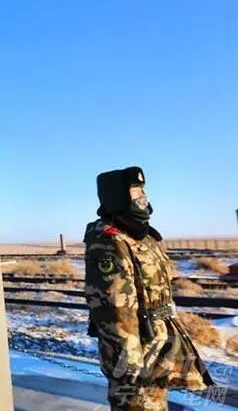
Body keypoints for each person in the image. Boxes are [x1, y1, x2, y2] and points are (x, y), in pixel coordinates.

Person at [84, 166, 212, 410]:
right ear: (118, 196)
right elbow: (115, 307)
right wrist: (129, 367)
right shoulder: (109, 239)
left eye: (143, 190)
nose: (143, 196)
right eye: (135, 191)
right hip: (135, 352)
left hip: (158, 345)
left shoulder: (143, 236)